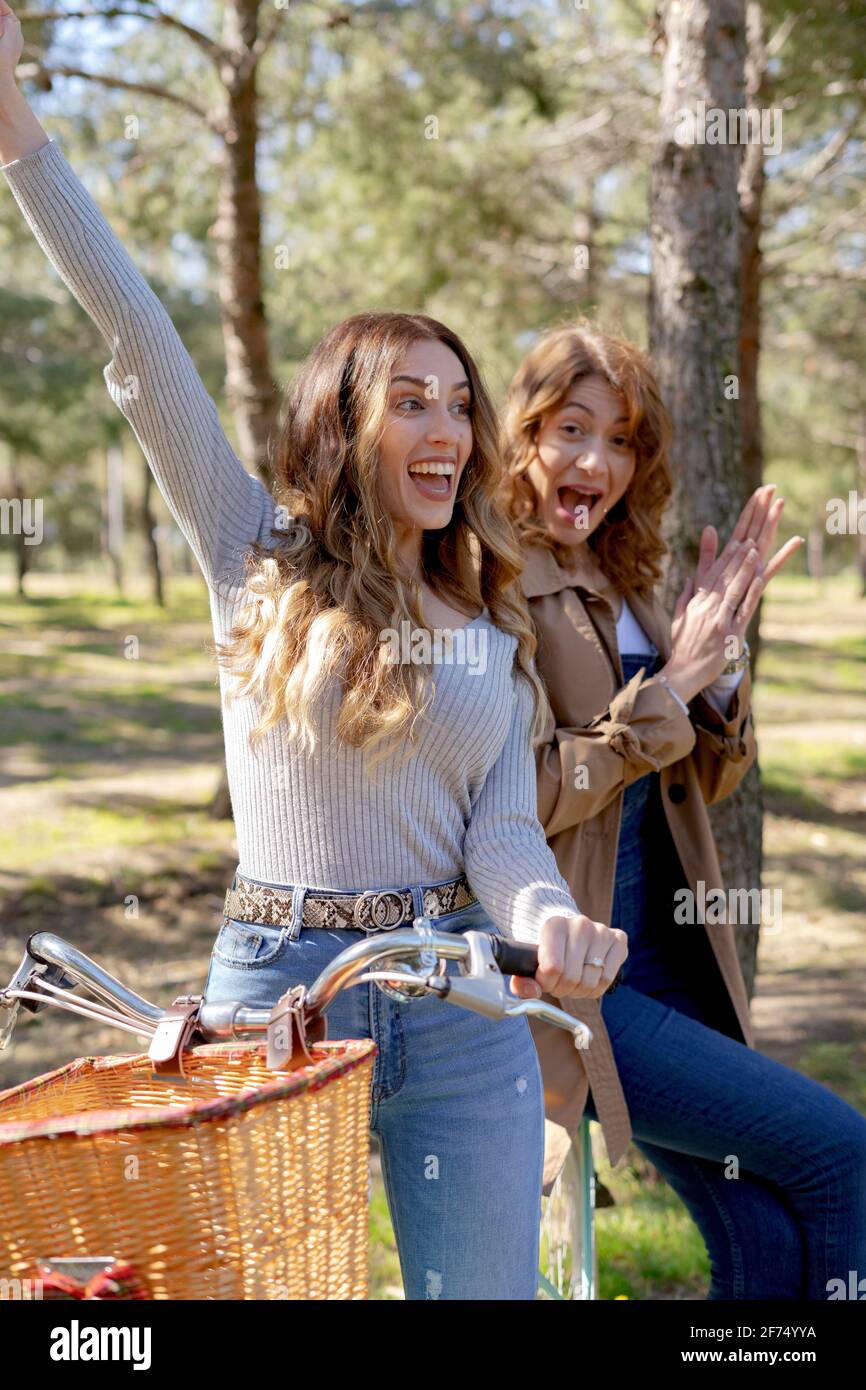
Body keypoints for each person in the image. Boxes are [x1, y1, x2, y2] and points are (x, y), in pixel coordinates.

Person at [0, 6, 627, 1300]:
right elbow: (138, 342)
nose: (448, 426)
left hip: (458, 996)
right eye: (411, 401)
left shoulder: (486, 625)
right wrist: (19, 137)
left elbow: (502, 836)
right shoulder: (252, 550)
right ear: (345, 428)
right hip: (276, 994)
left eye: (458, 401)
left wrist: (551, 920)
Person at [499, 318, 866, 1300]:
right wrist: (674, 683)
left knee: (764, 1238)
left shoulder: (623, 579)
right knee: (842, 1158)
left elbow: (694, 782)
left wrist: (717, 667)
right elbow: (517, 798)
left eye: (620, 439)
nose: (595, 459)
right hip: (583, 979)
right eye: (570, 428)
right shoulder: (490, 583)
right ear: (524, 434)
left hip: (675, 961)